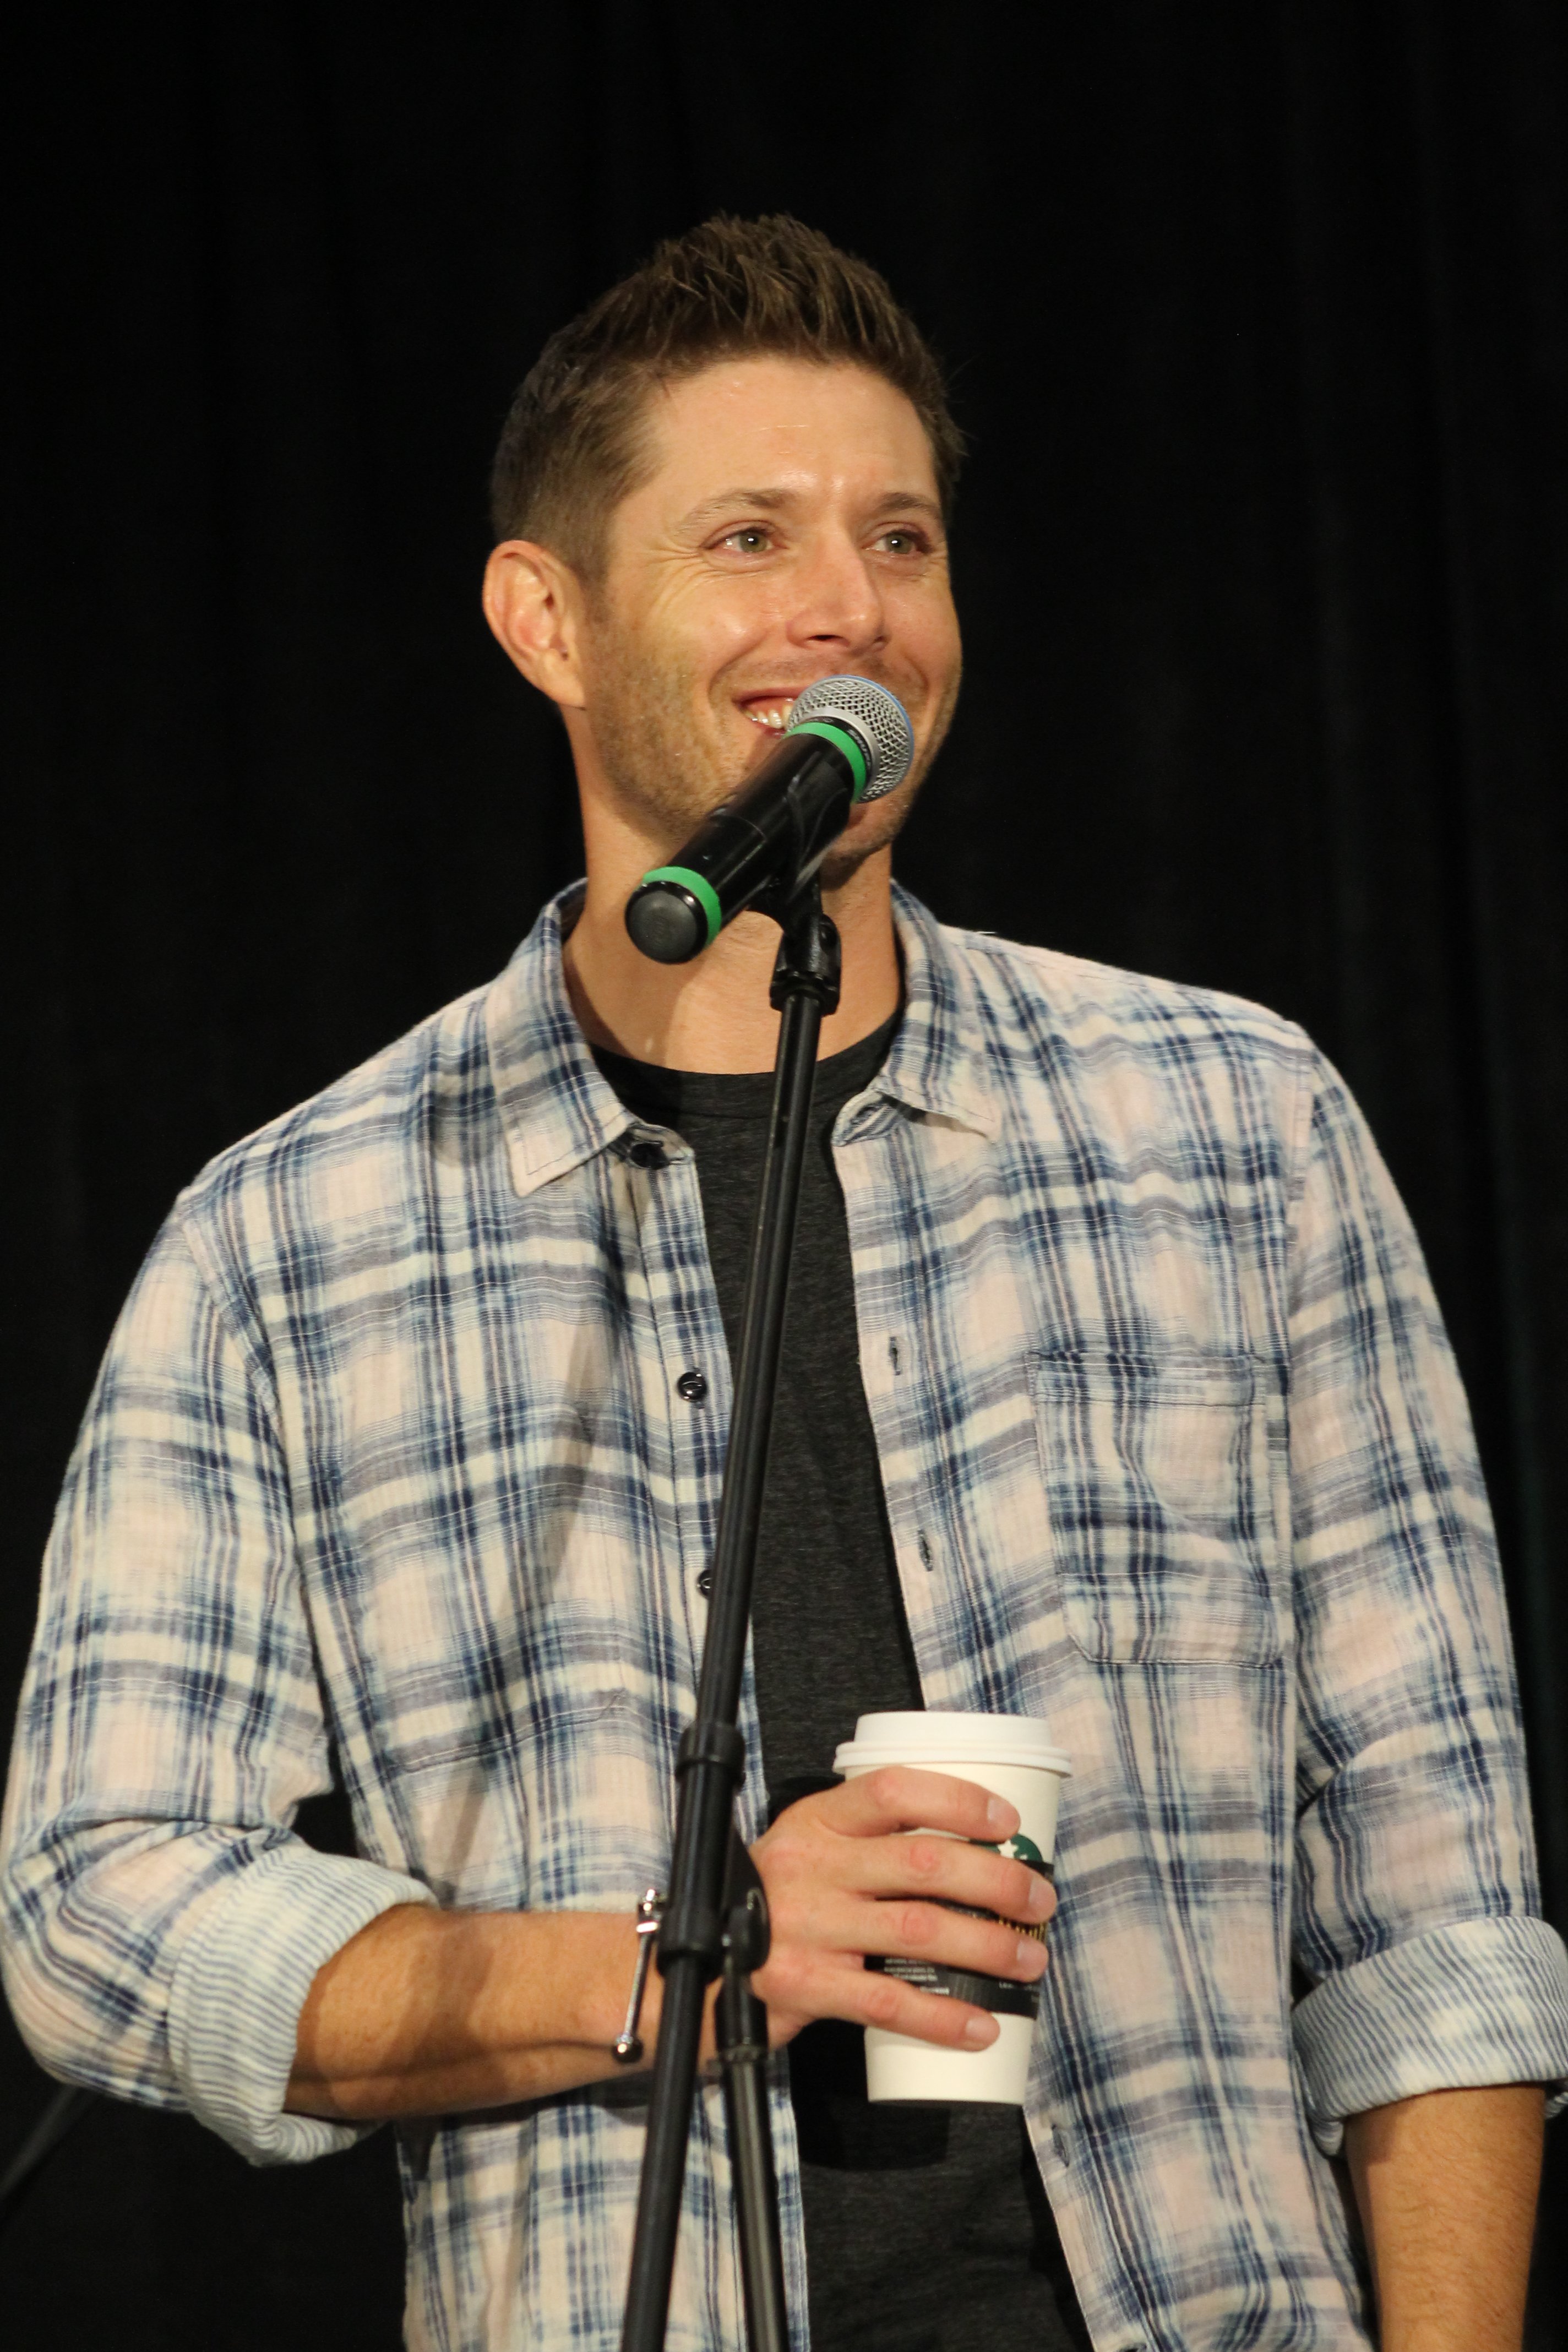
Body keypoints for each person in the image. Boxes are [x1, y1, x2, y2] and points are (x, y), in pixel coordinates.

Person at [3, 214, 1565, 2352]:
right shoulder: (296, 1237)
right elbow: (96, 1906)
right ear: (545, 619)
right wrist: (675, 1962)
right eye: (751, 537)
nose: (852, 609)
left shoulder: (1232, 1126)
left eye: (900, 540)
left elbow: (1436, 1896)